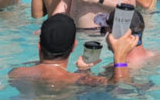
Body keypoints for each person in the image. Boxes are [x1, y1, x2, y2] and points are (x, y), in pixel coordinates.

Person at [9, 13, 137, 87]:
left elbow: (44, 72)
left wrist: (84, 69)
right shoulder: (78, 80)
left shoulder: (15, 74)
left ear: (39, 46)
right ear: (74, 47)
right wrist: (120, 56)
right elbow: (119, 85)